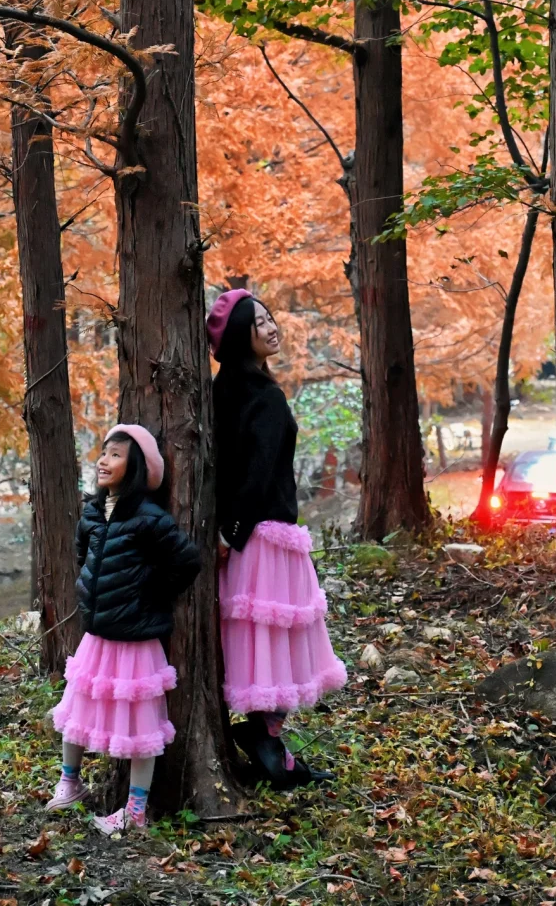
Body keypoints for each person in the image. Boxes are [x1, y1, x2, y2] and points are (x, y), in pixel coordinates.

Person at [209, 289, 347, 789]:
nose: (272, 327)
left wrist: (229, 531)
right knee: (275, 642)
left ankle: (267, 741)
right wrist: (237, 531)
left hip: (246, 535)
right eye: (259, 321)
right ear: (241, 336)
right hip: (262, 537)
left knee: (259, 641)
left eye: (271, 317)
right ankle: (267, 740)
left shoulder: (221, 392)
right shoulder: (263, 397)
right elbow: (256, 473)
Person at [46, 423, 200, 833]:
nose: (103, 460)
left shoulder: (149, 518)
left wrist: (148, 593)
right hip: (98, 633)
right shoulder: (93, 511)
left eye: (115, 454)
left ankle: (134, 812)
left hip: (136, 635)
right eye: (103, 452)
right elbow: (83, 554)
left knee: (139, 723)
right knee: (77, 704)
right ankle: (69, 782)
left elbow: (187, 562)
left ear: (135, 467)